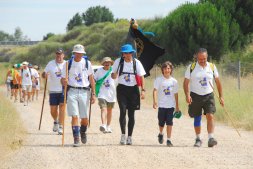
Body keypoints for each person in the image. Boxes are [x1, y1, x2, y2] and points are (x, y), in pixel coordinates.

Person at [183, 48, 224, 148]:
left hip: (209, 95)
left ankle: (211, 138)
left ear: (207, 57)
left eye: (204, 59)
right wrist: (187, 95)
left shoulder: (212, 67)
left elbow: (218, 82)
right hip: (195, 95)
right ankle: (198, 138)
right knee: (197, 117)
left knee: (210, 115)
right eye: (200, 59)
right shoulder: (191, 67)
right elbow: (185, 83)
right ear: (196, 57)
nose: (202, 61)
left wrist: (221, 96)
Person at [61, 44, 96, 147]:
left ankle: (83, 132)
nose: (79, 55)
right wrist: (64, 81)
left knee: (84, 118)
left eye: (81, 53)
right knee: (74, 115)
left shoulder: (87, 63)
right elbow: (62, 79)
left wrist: (93, 94)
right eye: (78, 53)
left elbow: (91, 79)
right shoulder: (67, 64)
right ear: (74, 53)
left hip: (85, 91)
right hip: (72, 91)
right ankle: (76, 139)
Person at [111, 44, 146, 145]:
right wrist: (113, 75)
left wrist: (143, 90)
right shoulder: (118, 62)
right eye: (125, 53)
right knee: (122, 111)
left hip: (133, 90)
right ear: (123, 54)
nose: (127, 54)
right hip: (122, 89)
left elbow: (142, 76)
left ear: (132, 53)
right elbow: (113, 76)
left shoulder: (136, 63)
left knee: (131, 114)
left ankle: (129, 136)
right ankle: (123, 135)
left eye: (129, 53)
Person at [153, 61, 180, 147]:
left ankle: (169, 140)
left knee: (169, 122)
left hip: (171, 106)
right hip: (161, 105)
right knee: (161, 122)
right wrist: (155, 101)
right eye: (165, 68)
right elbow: (155, 91)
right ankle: (161, 133)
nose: (167, 70)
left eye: (168, 68)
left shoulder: (174, 81)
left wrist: (177, 106)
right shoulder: (159, 80)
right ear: (162, 70)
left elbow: (176, 94)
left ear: (171, 70)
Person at [42, 48, 66, 135]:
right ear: (55, 55)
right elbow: (43, 74)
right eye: (57, 54)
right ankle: (55, 121)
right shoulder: (50, 63)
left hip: (63, 89)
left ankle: (61, 126)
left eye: (60, 54)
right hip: (53, 90)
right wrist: (45, 75)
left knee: (62, 107)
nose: (59, 56)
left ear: (63, 55)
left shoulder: (66, 64)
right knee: (53, 109)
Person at [94, 57, 116, 133]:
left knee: (109, 110)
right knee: (103, 108)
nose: (107, 64)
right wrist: (93, 92)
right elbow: (94, 79)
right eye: (105, 62)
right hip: (102, 93)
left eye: (108, 62)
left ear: (111, 63)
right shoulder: (99, 71)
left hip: (111, 94)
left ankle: (108, 126)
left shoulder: (113, 70)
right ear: (103, 63)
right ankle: (103, 124)